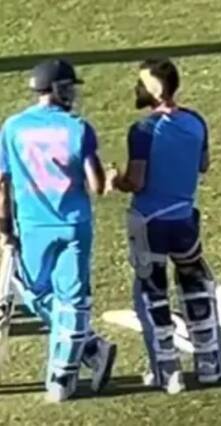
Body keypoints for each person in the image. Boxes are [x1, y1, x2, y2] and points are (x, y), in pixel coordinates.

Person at [0, 59, 117, 402]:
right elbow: (97, 185)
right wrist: (110, 176)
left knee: (33, 292)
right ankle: (63, 379)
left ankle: (91, 349)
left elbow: (2, 184)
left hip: (32, 224)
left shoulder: (12, 127)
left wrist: (4, 227)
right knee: (74, 301)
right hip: (74, 224)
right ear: (58, 89)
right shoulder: (77, 128)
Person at [108, 58, 221, 394]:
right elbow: (203, 164)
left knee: (151, 291)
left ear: (156, 90)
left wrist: (117, 179)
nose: (137, 88)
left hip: (149, 223)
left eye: (142, 83)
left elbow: (138, 181)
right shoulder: (196, 121)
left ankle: (167, 369)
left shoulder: (143, 131)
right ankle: (209, 362)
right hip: (184, 220)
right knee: (194, 280)